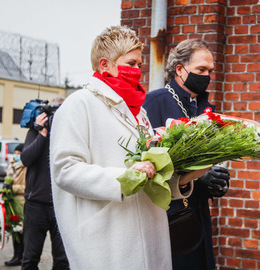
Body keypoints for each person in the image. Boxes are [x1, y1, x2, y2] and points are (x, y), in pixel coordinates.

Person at [49, 26, 207, 270]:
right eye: (131, 63)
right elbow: (65, 170)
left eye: (139, 65)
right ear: (105, 64)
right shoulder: (79, 105)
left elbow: (149, 171)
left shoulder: (139, 112)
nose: (137, 71)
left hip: (150, 235)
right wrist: (126, 178)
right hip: (108, 240)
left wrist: (182, 181)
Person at [143, 39, 230, 270]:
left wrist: (215, 178)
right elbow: (146, 159)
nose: (207, 75)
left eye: (210, 71)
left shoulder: (204, 107)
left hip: (197, 210)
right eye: (201, 69)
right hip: (168, 215)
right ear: (180, 69)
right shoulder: (155, 101)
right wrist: (197, 178)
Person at [21, 97, 69, 270]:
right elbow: (26, 159)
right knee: (30, 258)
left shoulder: (68, 135)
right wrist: (41, 134)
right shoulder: (35, 131)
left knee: (63, 260)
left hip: (62, 206)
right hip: (36, 206)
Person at [3, 143, 26, 266]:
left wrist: (12, 188)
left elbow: (27, 187)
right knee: (14, 230)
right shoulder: (12, 164)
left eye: (19, 154)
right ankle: (16, 256)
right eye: (15, 153)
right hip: (12, 203)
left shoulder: (25, 167)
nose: (16, 156)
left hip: (21, 203)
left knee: (21, 231)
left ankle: (21, 257)